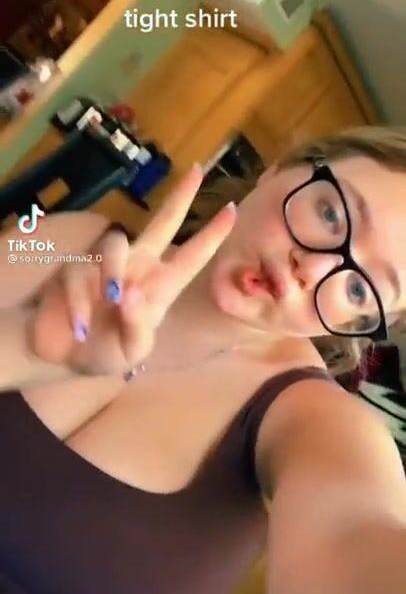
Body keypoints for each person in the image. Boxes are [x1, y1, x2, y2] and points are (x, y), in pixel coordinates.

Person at [0, 125, 406, 594]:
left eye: (357, 289)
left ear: (358, 322)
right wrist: (24, 345)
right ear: (278, 170)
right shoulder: (61, 235)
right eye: (331, 213)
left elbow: (354, 535)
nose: (312, 268)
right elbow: (26, 242)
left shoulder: (315, 423)